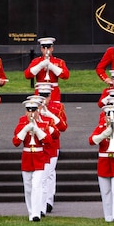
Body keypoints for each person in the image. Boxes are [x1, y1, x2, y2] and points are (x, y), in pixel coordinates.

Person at [12, 96, 54, 222]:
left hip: (39, 157)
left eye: (33, 110)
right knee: (28, 187)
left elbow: (48, 141)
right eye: (29, 110)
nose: (31, 113)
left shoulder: (43, 124)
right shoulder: (21, 124)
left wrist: (36, 129)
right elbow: (15, 142)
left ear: (37, 111)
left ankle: (36, 213)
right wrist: (25, 129)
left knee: (37, 185)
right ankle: (31, 211)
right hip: (26, 157)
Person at [35, 82, 67, 214]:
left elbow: (63, 127)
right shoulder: (32, 106)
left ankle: (48, 200)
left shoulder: (57, 107)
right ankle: (41, 202)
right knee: (41, 175)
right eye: (41, 96)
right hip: (37, 145)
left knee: (49, 174)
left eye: (46, 96)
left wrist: (50, 115)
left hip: (52, 145)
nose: (44, 99)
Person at [24, 37, 70, 104]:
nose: (46, 50)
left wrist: (52, 67)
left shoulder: (59, 61)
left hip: (54, 92)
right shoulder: (36, 61)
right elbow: (27, 75)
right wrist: (40, 65)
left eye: (48, 48)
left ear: (52, 48)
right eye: (44, 48)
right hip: (39, 91)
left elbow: (66, 75)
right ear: (41, 49)